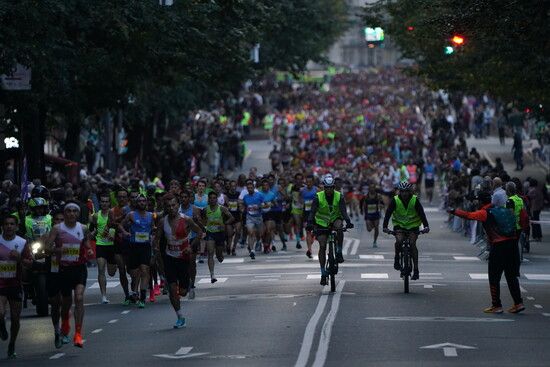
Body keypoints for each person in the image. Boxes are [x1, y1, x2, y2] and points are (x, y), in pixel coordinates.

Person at [449, 190, 524, 314]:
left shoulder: (486, 212)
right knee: (511, 276)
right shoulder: (509, 212)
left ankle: (496, 305)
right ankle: (518, 303)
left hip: (499, 247)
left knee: (494, 277)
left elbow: (468, 215)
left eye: (478, 200)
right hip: (513, 246)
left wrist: (453, 211)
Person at [45, 202, 94, 348]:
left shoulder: (83, 228)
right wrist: (57, 251)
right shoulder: (57, 229)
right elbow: (47, 248)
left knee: (79, 297)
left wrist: (89, 250)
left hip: (79, 268)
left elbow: (86, 242)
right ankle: (65, 324)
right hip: (63, 270)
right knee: (65, 304)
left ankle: (78, 334)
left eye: (74, 211)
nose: (71, 213)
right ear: (65, 213)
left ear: (78, 214)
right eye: (68, 211)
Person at [155, 194, 203, 328]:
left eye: (174, 205)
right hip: (169, 257)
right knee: (171, 288)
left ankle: (186, 286)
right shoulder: (162, 221)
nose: (171, 208)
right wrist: (156, 252)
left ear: (178, 205)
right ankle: (180, 317)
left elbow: (200, 233)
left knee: (182, 292)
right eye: (168, 206)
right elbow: (157, 239)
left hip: (183, 258)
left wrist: (190, 246)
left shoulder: (186, 219)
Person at [306, 175, 353, 286]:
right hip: (321, 222)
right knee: (322, 245)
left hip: (335, 219)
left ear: (333, 187)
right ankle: (323, 273)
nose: (329, 190)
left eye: (331, 187)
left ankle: (339, 251)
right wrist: (309, 223)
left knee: (340, 227)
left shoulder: (339, 196)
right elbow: (312, 212)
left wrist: (348, 221)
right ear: (324, 188)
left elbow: (343, 211)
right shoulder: (318, 197)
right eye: (326, 187)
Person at [382, 182, 430, 281]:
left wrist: (426, 226)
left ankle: (416, 270)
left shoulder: (414, 200)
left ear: (409, 192)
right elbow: (388, 213)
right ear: (400, 192)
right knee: (399, 241)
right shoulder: (395, 200)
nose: (404, 194)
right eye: (402, 191)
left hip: (413, 226)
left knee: (412, 244)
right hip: (399, 225)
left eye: (406, 192)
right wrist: (385, 226)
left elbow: (421, 213)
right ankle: (396, 259)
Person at [0, 214, 31, 359]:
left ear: (16, 227)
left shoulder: (22, 242)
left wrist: (20, 258)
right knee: (0, 312)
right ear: (2, 226)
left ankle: (12, 344)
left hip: (15, 284)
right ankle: (1, 325)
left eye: (12, 224)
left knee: (15, 318)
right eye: (6, 224)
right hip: (0, 284)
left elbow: (29, 262)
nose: (9, 227)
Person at [119, 194, 154, 308]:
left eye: (144, 201)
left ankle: (143, 297)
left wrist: (154, 234)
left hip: (145, 247)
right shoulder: (131, 215)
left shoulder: (150, 215)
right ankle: (134, 291)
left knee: (144, 270)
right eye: (140, 201)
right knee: (134, 273)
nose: (142, 203)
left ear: (146, 203)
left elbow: (153, 228)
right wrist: (124, 232)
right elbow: (120, 225)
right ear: (136, 203)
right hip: (133, 247)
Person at [200, 191, 235, 283]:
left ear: (216, 199)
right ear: (208, 199)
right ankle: (212, 275)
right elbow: (203, 220)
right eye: (210, 198)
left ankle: (220, 256)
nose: (212, 200)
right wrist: (204, 228)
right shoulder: (205, 210)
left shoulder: (222, 208)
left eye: (214, 198)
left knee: (219, 257)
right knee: (210, 252)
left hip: (220, 233)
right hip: (210, 233)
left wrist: (225, 223)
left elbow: (232, 218)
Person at [89, 192, 117, 304]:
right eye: (103, 202)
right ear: (100, 203)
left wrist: (113, 234)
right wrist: (93, 233)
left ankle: (113, 269)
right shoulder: (96, 216)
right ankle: (104, 296)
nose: (104, 204)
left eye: (106, 202)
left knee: (111, 272)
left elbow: (116, 226)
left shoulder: (113, 214)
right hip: (100, 244)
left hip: (111, 245)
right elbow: (93, 229)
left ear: (109, 203)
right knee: (101, 270)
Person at [110, 188, 132, 305]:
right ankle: (127, 295)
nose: (122, 199)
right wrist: (120, 218)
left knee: (131, 270)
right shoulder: (112, 211)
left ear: (127, 198)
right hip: (118, 243)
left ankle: (134, 291)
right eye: (120, 197)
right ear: (117, 198)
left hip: (130, 243)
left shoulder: (132, 210)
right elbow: (110, 224)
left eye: (124, 197)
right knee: (122, 270)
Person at [240, 180, 264, 260]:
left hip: (258, 217)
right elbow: (243, 205)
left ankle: (258, 241)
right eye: (248, 188)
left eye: (251, 188)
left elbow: (265, 204)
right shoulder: (245, 197)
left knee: (259, 233)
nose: (250, 189)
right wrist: (242, 208)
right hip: (249, 217)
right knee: (250, 233)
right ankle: (252, 251)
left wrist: (259, 206)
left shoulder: (259, 195)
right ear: (247, 189)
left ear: (254, 188)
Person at [361, 184, 384, 248]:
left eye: (373, 188)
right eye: (370, 188)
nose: (372, 189)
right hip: (368, 214)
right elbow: (363, 204)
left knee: (376, 227)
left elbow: (382, 204)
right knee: (369, 229)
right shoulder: (366, 196)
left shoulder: (378, 196)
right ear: (369, 189)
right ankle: (373, 225)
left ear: (374, 188)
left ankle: (375, 241)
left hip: (376, 214)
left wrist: (381, 207)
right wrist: (362, 211)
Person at [300, 175, 318, 258]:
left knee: (315, 232)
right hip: (306, 213)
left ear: (313, 182)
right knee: (308, 231)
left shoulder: (317, 190)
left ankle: (313, 237)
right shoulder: (302, 191)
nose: (308, 183)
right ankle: (309, 250)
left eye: (310, 182)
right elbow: (300, 201)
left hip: (316, 213)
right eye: (307, 182)